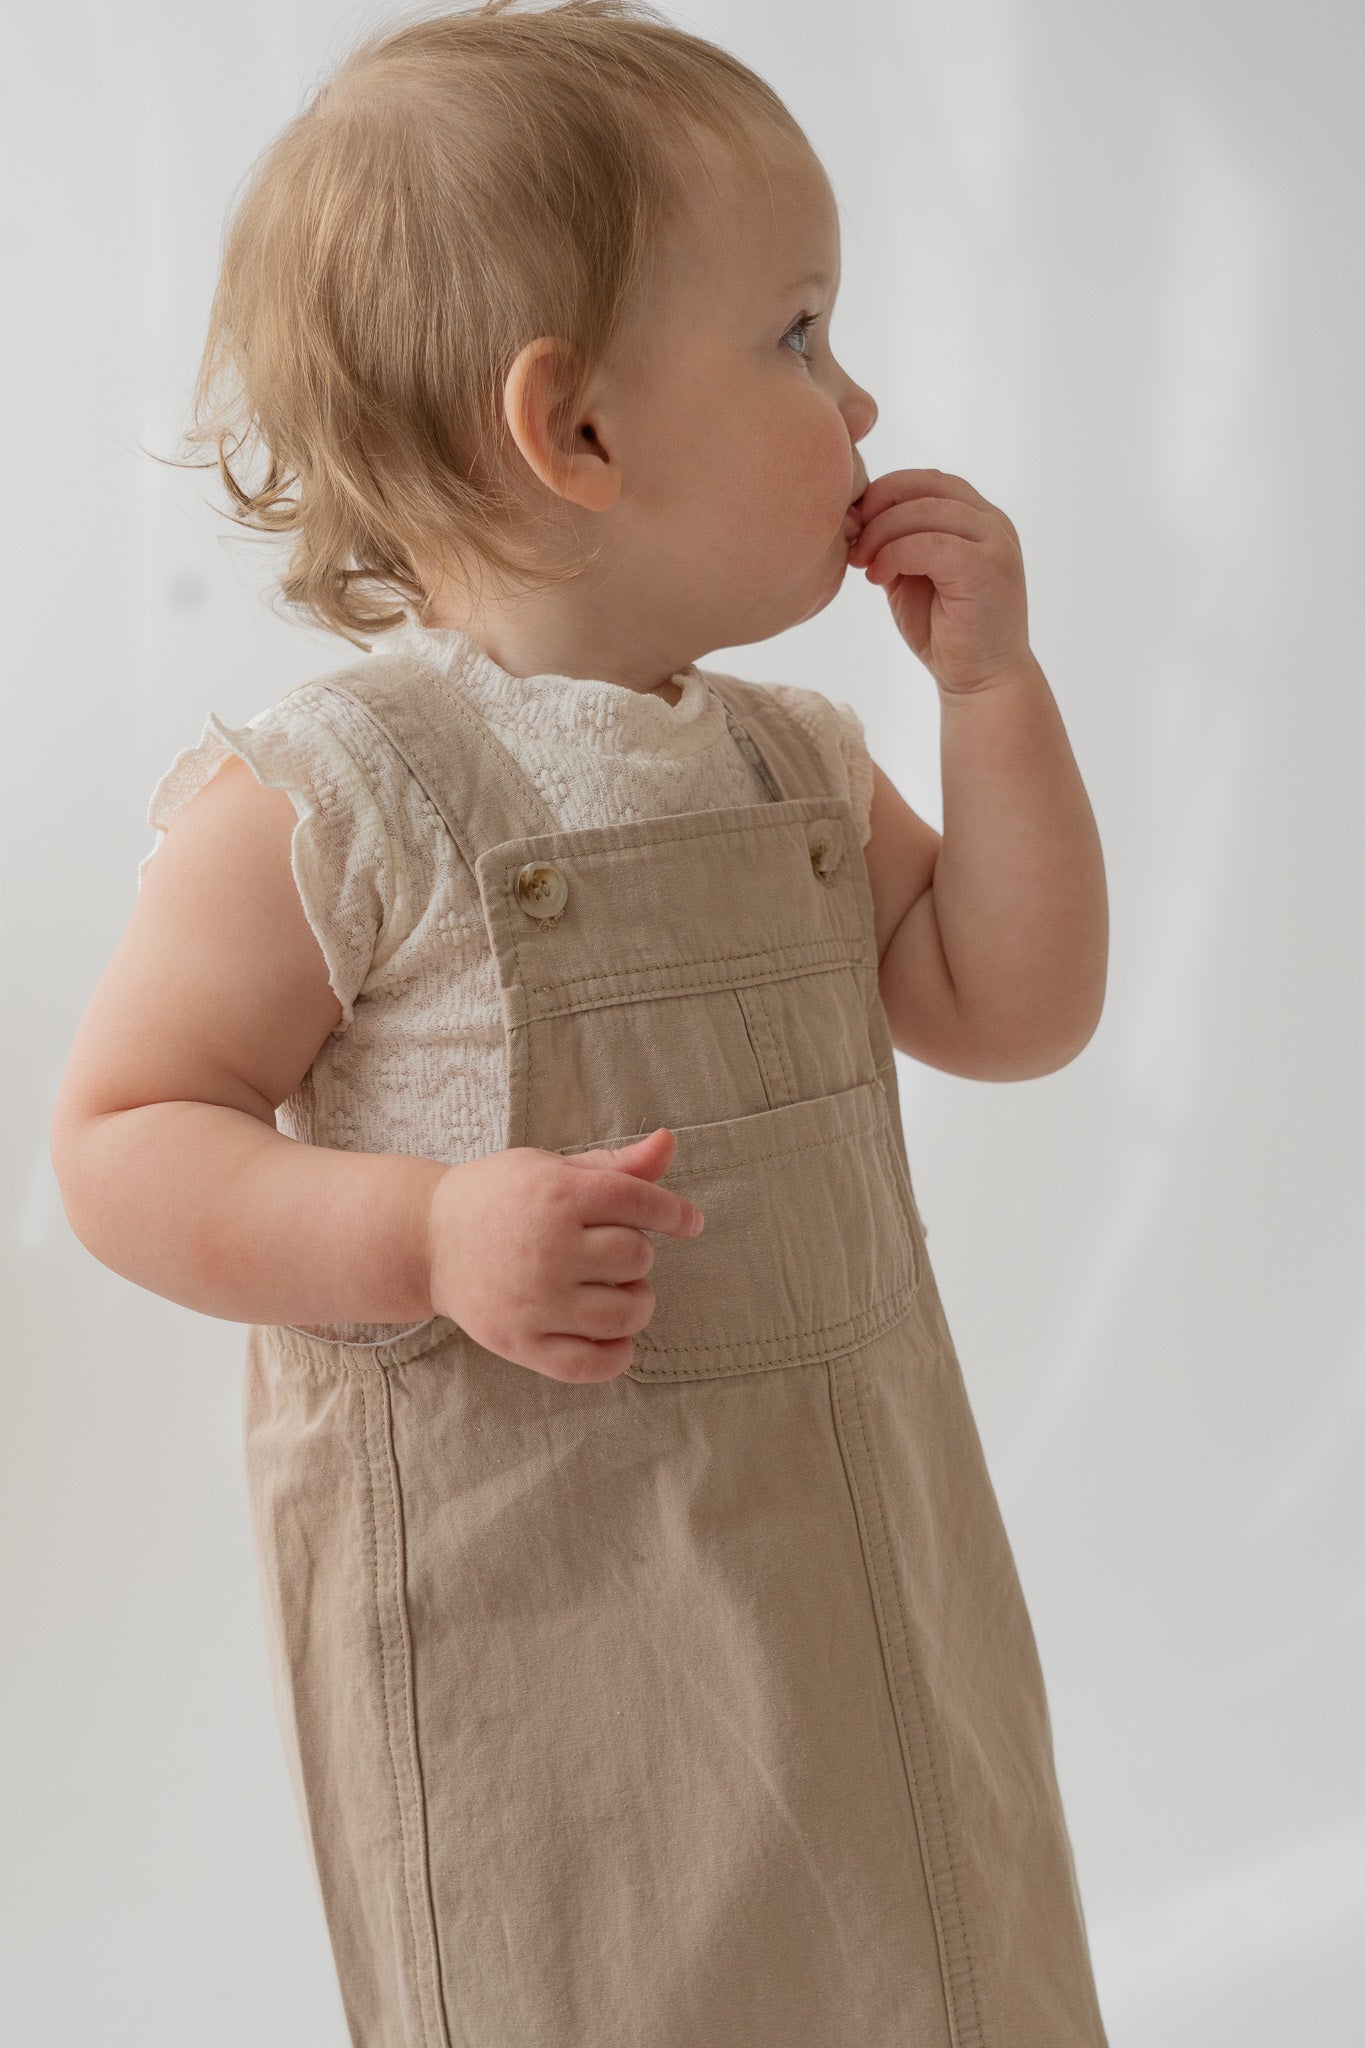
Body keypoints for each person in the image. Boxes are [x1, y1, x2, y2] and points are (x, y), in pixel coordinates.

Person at [49, 4, 1111, 2042]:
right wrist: (423, 1232)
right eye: (797, 333)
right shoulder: (341, 796)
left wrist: (991, 700)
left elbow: (1012, 1007)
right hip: (548, 1618)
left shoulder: (787, 760)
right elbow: (120, 1140)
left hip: (858, 1557)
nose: (861, 393)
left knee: (936, 1951)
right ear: (578, 433)